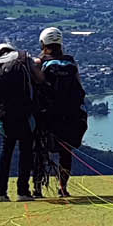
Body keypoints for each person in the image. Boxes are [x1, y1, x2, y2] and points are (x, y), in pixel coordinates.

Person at [35, 26, 89, 200]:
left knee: (40, 151)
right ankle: (63, 187)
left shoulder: (40, 62)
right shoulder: (70, 62)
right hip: (70, 116)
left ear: (43, 43)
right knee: (66, 152)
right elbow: (79, 88)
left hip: (47, 116)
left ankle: (37, 188)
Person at [0, 41, 40, 202]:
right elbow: (39, 77)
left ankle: (0, 192)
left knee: (6, 152)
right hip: (25, 115)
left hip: (5, 118)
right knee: (25, 152)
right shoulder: (22, 59)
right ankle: (23, 191)